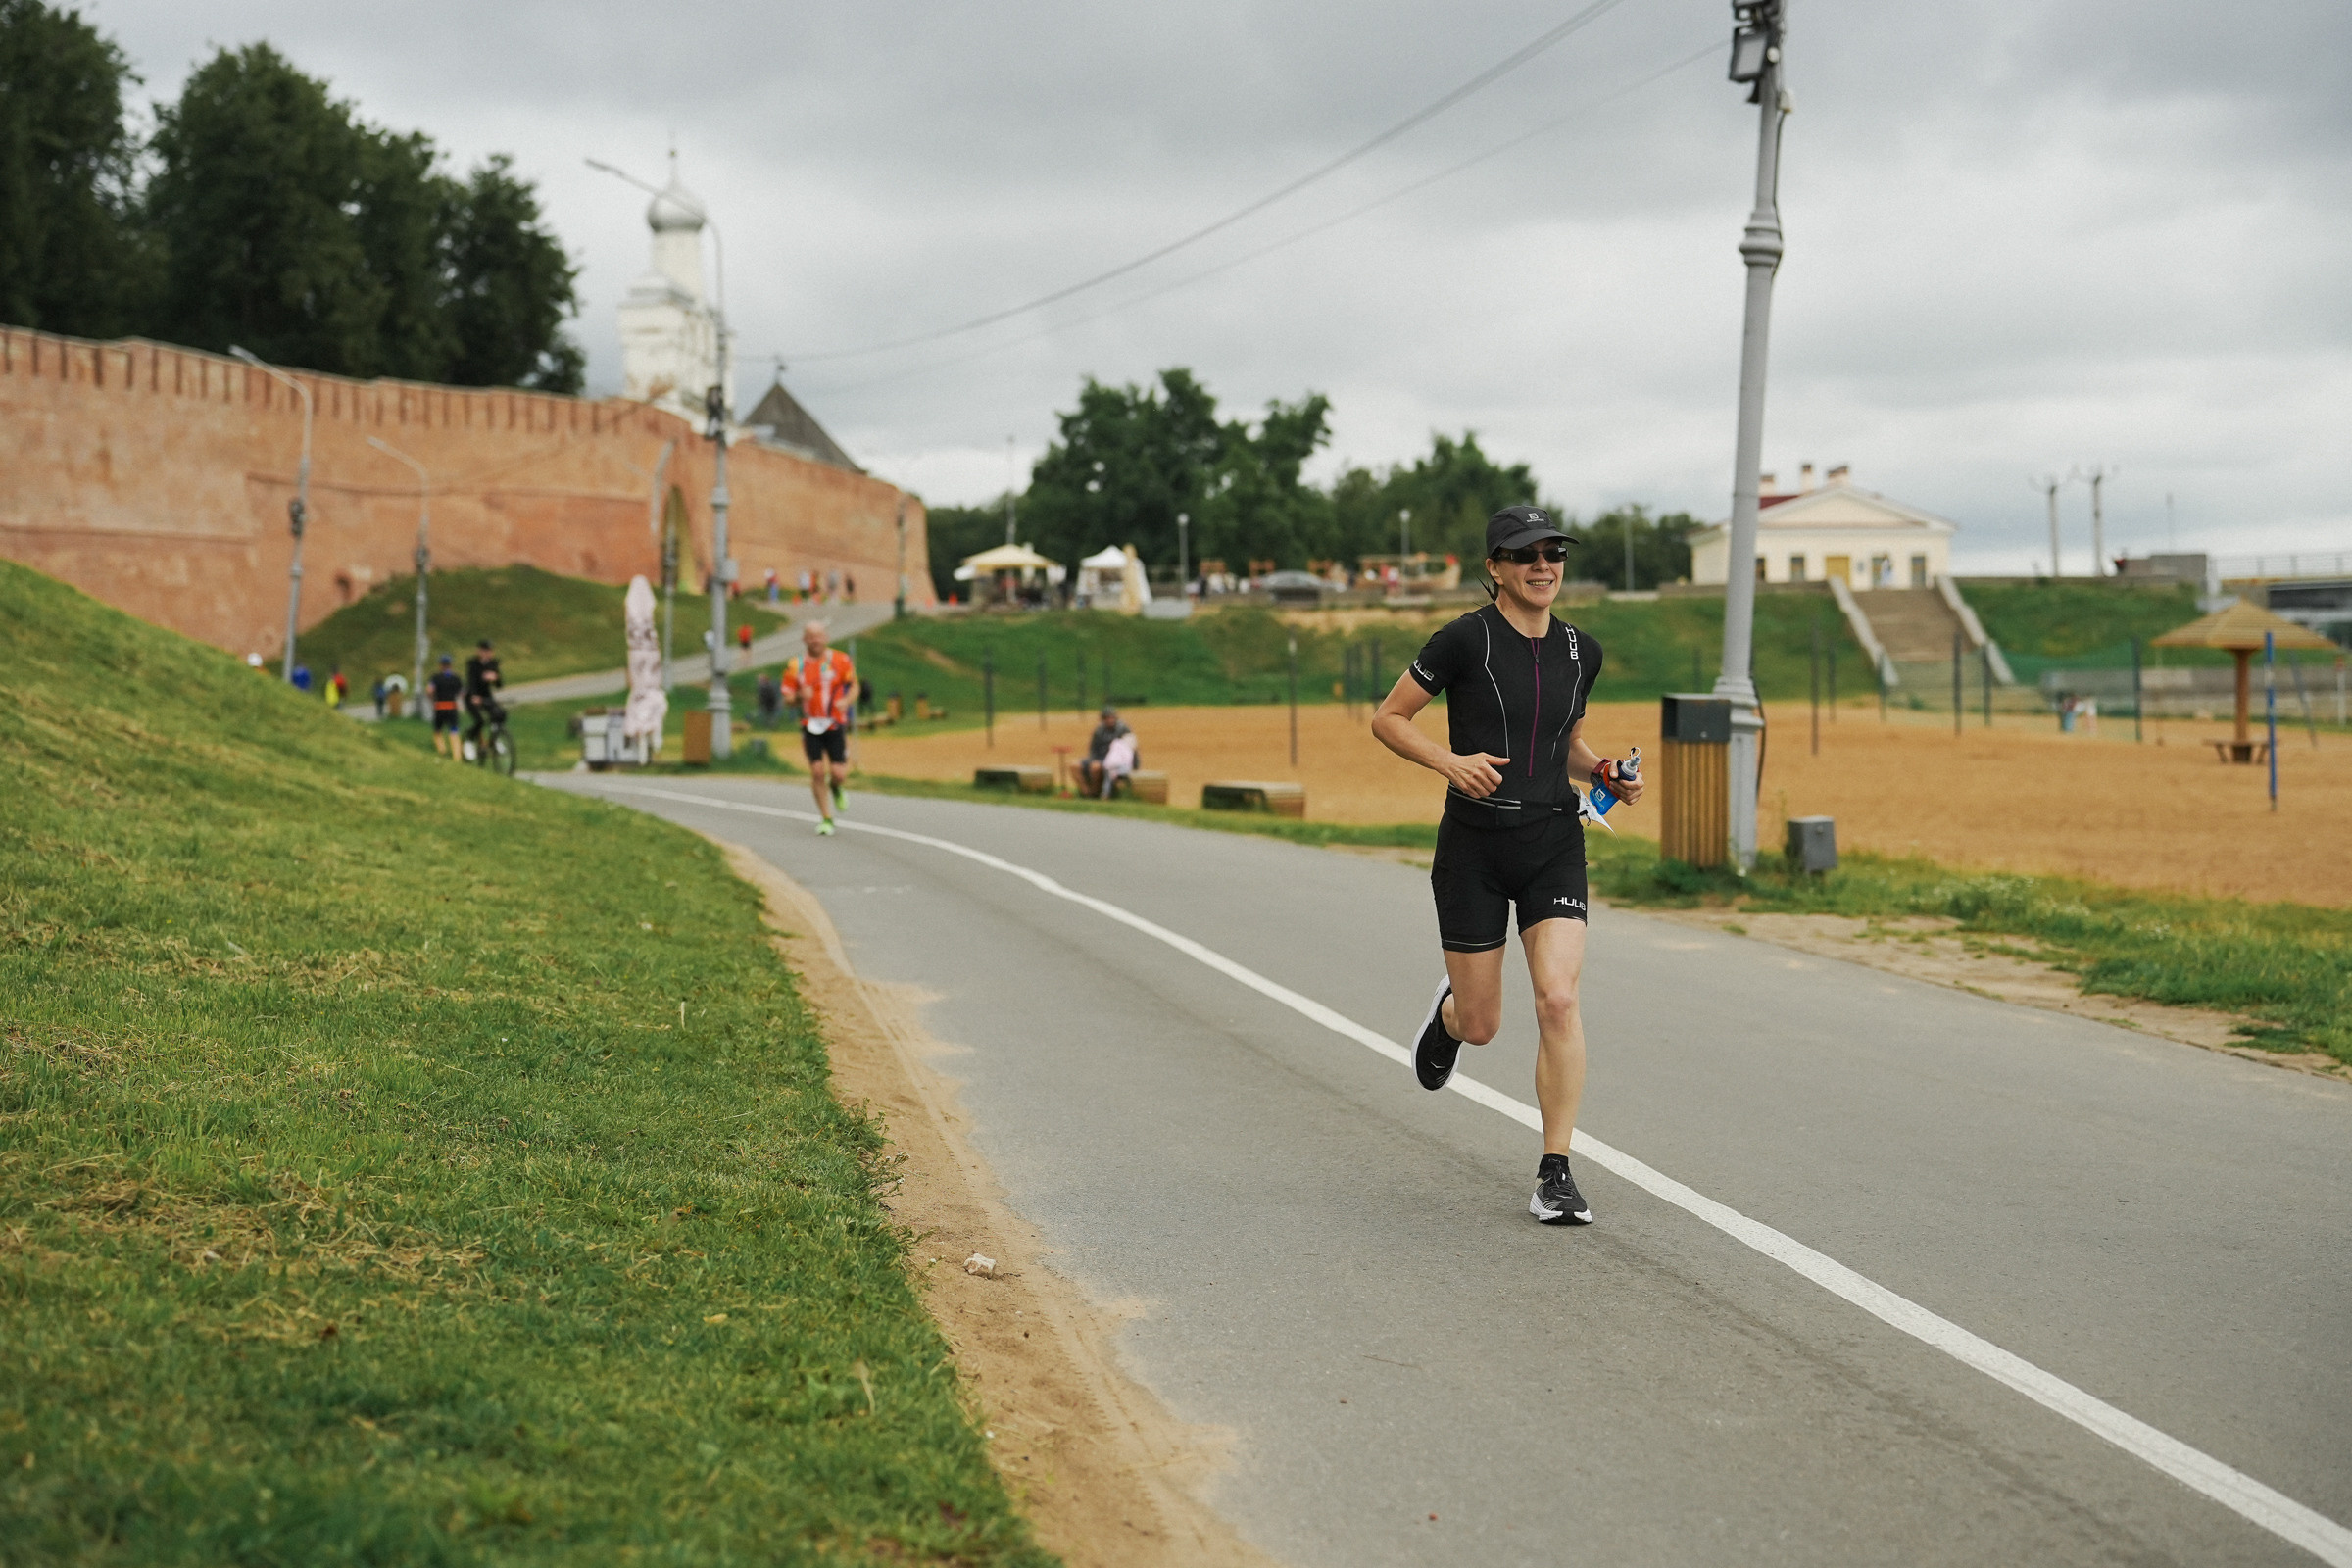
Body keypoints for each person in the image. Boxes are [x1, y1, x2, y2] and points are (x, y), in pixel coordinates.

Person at [1370, 505, 1644, 1228]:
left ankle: (1555, 1171)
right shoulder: (1463, 639)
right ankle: (1451, 1017)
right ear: (1494, 568)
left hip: (1554, 840)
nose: (1544, 566)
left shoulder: (1584, 651)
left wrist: (1607, 771)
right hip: (1475, 849)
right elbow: (1389, 718)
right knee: (1486, 1023)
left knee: (1557, 1000)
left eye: (1554, 553)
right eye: (1526, 555)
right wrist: (1449, 761)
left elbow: (1566, 746)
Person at [782, 620, 857, 835]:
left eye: (819, 635)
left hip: (835, 723)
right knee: (816, 771)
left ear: (826, 637)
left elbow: (854, 686)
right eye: (811, 636)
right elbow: (787, 697)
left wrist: (846, 701)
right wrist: (798, 697)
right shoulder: (796, 665)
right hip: (810, 724)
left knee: (838, 773)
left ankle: (836, 786)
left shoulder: (841, 660)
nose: (815, 640)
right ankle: (826, 818)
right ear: (804, 639)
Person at [1078, 705, 1133, 796]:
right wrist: (1093, 760)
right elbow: (1093, 749)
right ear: (1103, 719)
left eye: (1112, 717)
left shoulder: (1123, 729)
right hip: (1099, 757)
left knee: (1095, 768)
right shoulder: (1099, 731)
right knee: (1074, 766)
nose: (1111, 720)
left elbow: (1129, 749)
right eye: (1108, 718)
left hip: (1114, 760)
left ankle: (1095, 793)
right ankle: (1086, 792)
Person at [463, 640, 505, 758]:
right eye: (485, 650)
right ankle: (469, 742)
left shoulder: (493, 664)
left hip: (486, 696)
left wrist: (495, 678)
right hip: (472, 696)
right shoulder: (473, 664)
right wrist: (475, 696)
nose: (488, 653)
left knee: (500, 714)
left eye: (490, 651)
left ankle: (495, 739)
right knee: (480, 721)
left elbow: (499, 685)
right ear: (479, 651)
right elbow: (472, 681)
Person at [427, 655, 465, 760]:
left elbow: (429, 690)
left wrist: (432, 701)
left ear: (440, 665)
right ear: (450, 665)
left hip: (439, 707)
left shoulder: (436, 678)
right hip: (452, 707)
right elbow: (462, 693)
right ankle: (457, 756)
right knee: (454, 730)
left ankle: (442, 751)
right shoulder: (455, 678)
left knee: (438, 730)